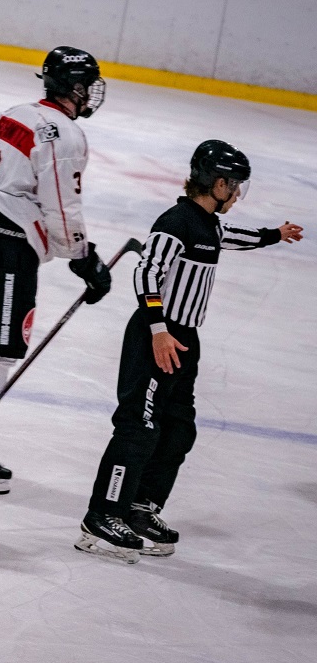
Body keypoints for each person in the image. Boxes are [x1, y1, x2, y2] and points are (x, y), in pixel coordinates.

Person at [75, 140, 304, 562]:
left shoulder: (209, 225)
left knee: (178, 428)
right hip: (155, 336)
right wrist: (159, 331)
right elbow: (147, 272)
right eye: (234, 187)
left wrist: (275, 234)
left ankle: (139, 507)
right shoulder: (175, 222)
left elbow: (233, 238)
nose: (236, 195)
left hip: (185, 340)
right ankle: (103, 515)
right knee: (138, 427)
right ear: (218, 184)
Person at [0, 46, 112, 495]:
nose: (91, 94)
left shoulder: (19, 114)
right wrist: (83, 257)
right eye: (87, 85)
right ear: (74, 87)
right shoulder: (64, 134)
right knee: (1, 351)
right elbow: (61, 204)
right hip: (11, 250)